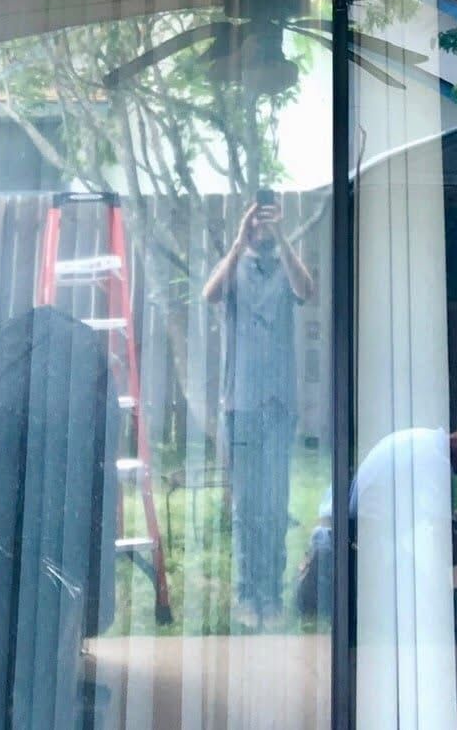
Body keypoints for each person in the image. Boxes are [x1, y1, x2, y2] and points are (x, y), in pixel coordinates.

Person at [203, 189, 315, 625]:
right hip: (242, 406)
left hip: (278, 406)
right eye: (257, 217)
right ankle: (247, 595)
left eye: (269, 216)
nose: (262, 224)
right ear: (246, 220)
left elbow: (306, 290)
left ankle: (272, 595)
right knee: (248, 506)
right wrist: (237, 240)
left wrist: (283, 237)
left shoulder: (287, 265)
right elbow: (210, 294)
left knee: (275, 504)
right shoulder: (235, 265)